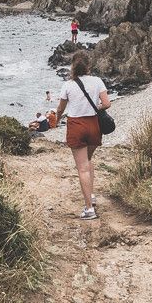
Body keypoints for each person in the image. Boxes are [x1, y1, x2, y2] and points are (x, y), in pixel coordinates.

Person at [55, 52, 111, 219]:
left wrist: (56, 121)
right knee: (88, 161)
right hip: (94, 126)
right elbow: (107, 103)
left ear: (73, 66)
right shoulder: (97, 81)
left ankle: (89, 209)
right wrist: (95, 108)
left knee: (82, 168)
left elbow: (60, 109)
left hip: (76, 127)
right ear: (89, 66)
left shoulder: (68, 85)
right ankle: (91, 195)